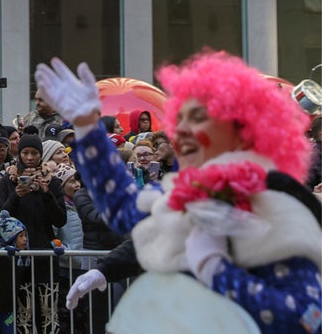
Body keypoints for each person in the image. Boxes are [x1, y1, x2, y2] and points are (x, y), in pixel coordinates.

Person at [35, 51, 322, 332]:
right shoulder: (190, 193)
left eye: (198, 118)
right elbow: (127, 210)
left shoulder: (281, 202)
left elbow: (306, 318)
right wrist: (87, 128)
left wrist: (217, 270)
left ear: (241, 130)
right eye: (181, 119)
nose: (182, 130)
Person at [0, 133, 67, 332]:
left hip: (45, 254)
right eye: (25, 152)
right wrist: (16, 196)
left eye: (34, 153)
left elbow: (60, 220)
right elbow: (0, 216)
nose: (30, 157)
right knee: (23, 314)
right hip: (19, 256)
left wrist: (46, 193)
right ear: (19, 154)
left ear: (41, 155)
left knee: (49, 312)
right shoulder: (8, 181)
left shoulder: (53, 182)